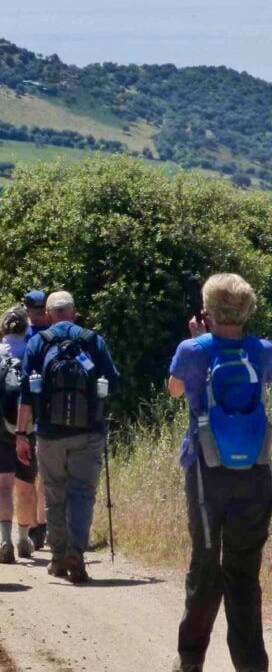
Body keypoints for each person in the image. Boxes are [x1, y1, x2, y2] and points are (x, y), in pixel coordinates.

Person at [168, 274, 272, 672]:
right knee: (244, 570)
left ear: (209, 309)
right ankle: (251, 664)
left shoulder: (193, 349)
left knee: (205, 564)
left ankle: (190, 659)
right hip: (257, 470)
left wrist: (198, 339)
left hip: (206, 471)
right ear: (247, 309)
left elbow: (175, 390)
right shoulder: (262, 351)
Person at [16, 290, 120, 583]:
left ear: (48, 316)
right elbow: (114, 383)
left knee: (54, 494)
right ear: (74, 312)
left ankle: (58, 557)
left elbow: (25, 395)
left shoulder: (38, 342)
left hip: (49, 433)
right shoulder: (94, 340)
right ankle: (77, 551)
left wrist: (21, 434)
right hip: (89, 431)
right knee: (82, 494)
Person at [0, 306, 37, 563]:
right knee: (26, 486)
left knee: (4, 484)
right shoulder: (33, 353)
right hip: (29, 428)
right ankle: (24, 539)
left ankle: (5, 541)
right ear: (27, 328)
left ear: (2, 328)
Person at [23, 289, 49, 550]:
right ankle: (41, 522)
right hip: (47, 410)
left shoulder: (24, 336)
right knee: (43, 473)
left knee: (27, 472)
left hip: (24, 410)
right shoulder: (54, 333)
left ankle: (31, 525)